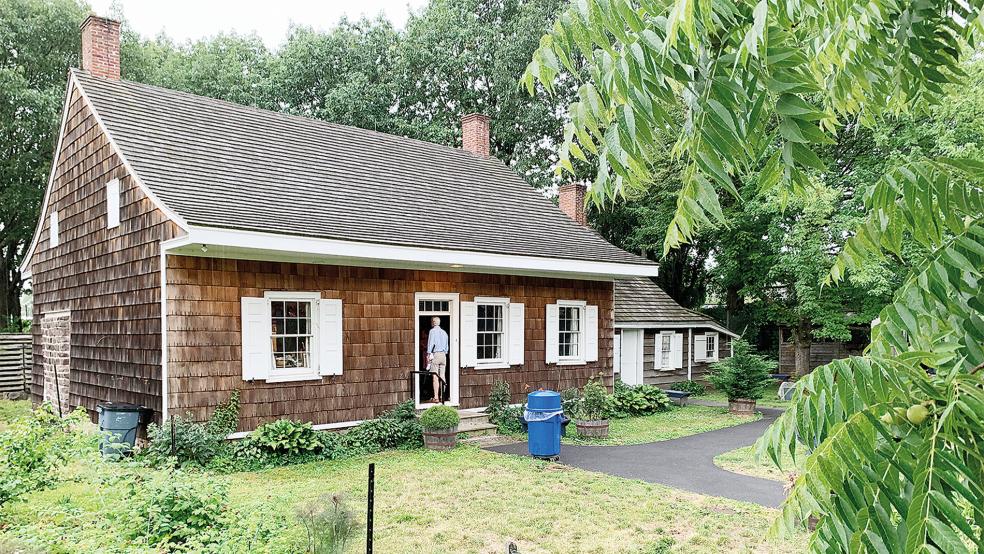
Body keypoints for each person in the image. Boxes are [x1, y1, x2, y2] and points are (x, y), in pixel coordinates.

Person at [426, 316, 449, 403]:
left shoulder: (432, 331)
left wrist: (428, 354)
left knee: (435, 376)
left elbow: (431, 343)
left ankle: (436, 397)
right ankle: (442, 396)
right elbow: (447, 347)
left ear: (433, 322)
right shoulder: (444, 333)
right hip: (443, 355)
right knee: (442, 376)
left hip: (436, 354)